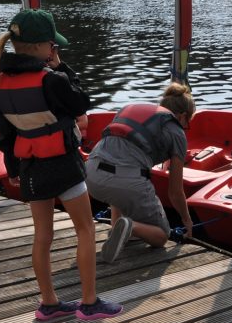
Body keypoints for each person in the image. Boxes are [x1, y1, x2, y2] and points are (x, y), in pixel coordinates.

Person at [0, 8, 122, 321]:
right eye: (53, 45)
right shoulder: (51, 80)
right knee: (86, 229)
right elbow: (81, 102)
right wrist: (63, 68)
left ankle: (49, 303)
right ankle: (89, 302)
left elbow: (5, 136)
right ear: (40, 48)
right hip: (62, 162)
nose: (54, 50)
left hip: (30, 166)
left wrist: (14, 170)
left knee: (42, 236)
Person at [84, 82, 196, 265]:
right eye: (187, 123)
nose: (185, 127)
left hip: (90, 173)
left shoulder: (130, 108)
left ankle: (117, 229)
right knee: (161, 236)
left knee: (118, 177)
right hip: (125, 181)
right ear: (183, 116)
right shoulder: (176, 132)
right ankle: (130, 226)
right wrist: (186, 219)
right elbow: (175, 191)